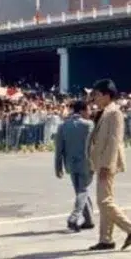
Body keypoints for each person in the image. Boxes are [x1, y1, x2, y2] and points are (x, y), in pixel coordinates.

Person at [87, 78, 131, 252]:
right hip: (101, 162)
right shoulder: (105, 112)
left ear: (106, 95)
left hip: (107, 163)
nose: (94, 98)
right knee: (105, 200)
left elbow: (114, 141)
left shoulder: (114, 113)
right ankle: (105, 239)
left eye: (96, 94)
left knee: (104, 201)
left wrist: (107, 165)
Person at [54, 99, 95, 232]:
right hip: (86, 162)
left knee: (80, 191)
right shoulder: (89, 125)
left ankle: (88, 220)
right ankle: (74, 217)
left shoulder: (63, 126)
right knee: (83, 190)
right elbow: (94, 145)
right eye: (88, 109)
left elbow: (59, 149)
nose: (90, 112)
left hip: (70, 164)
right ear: (82, 110)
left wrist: (58, 167)